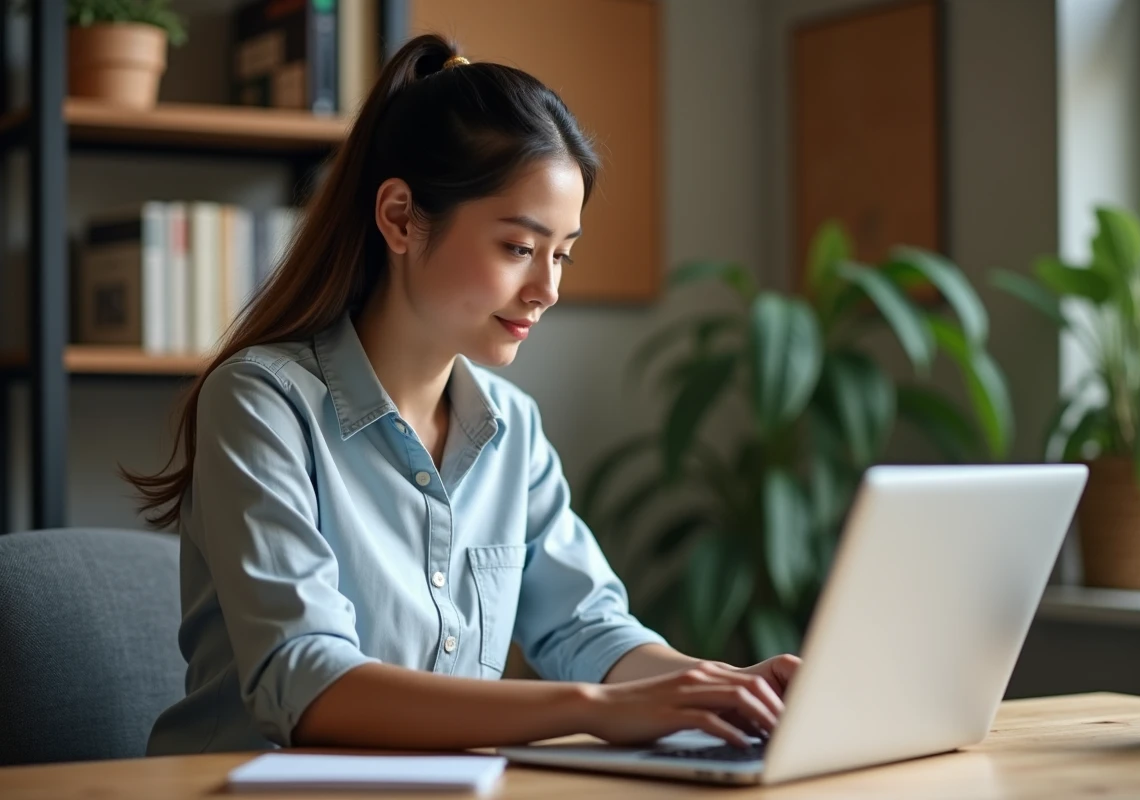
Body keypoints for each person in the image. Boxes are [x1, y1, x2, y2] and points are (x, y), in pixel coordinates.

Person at [132, 34, 799, 757]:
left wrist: (728, 688)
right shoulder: (262, 403)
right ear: (398, 218)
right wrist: (596, 708)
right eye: (519, 247)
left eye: (563, 254)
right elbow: (309, 685)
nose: (548, 290)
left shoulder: (512, 427)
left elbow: (587, 629)